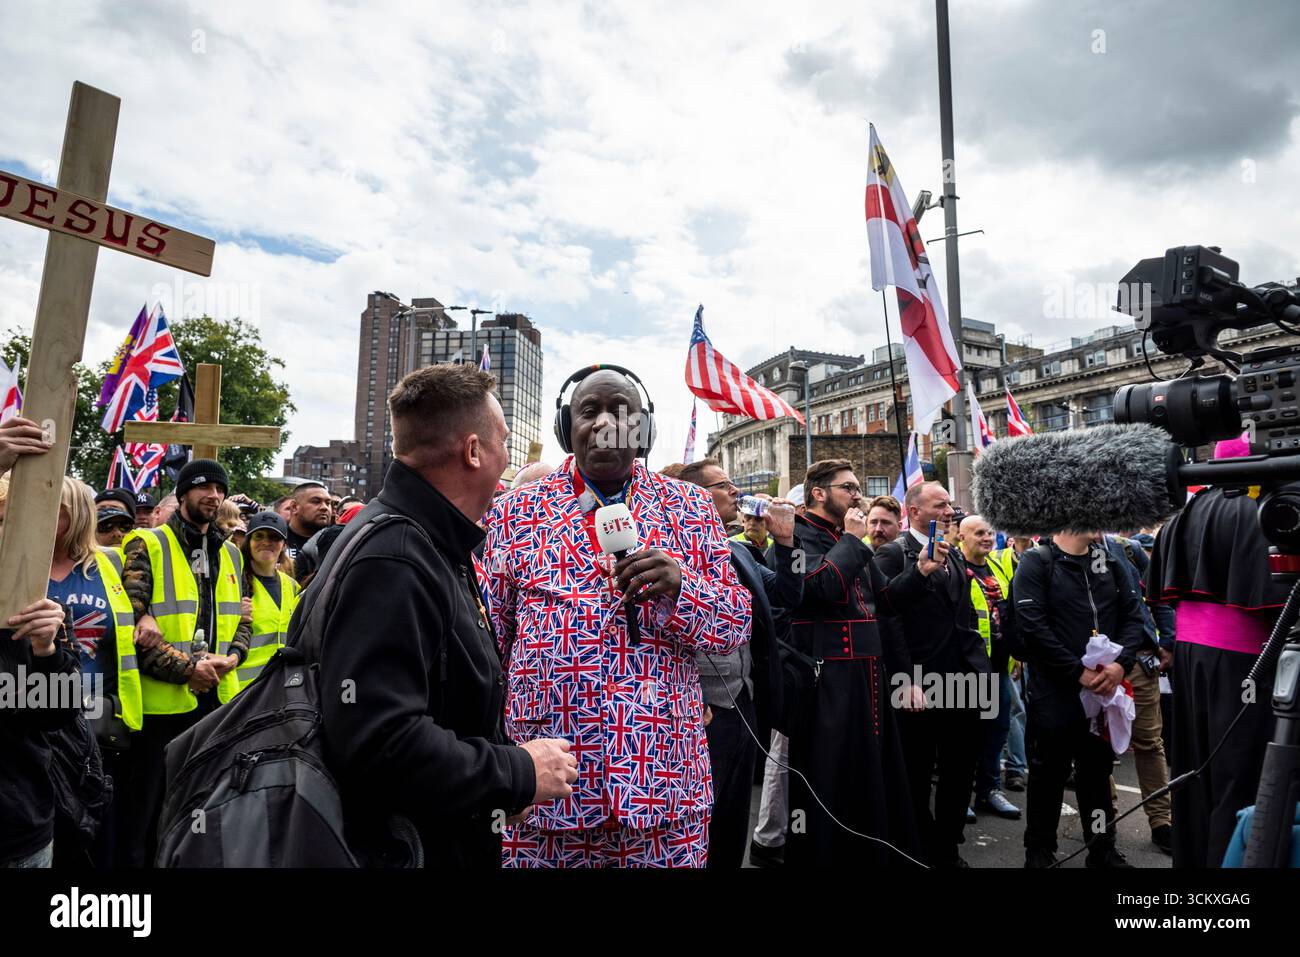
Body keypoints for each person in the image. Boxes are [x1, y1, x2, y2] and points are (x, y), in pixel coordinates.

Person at [481, 366, 751, 867]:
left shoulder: (689, 507)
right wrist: (501, 766)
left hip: (665, 789)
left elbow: (734, 623)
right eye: (590, 411)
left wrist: (681, 589)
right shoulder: (514, 511)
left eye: (621, 413)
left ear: (643, 430)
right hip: (549, 791)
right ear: (567, 426)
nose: (605, 423)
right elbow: (490, 640)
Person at [318, 364, 575, 867]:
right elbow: (379, 742)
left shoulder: (429, 542)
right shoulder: (395, 557)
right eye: (503, 440)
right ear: (474, 451)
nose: (507, 458)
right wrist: (517, 771)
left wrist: (495, 788)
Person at [785, 459, 939, 868]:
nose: (857, 495)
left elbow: (884, 601)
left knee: (872, 775)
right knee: (830, 776)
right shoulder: (796, 537)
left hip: (869, 676)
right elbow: (818, 588)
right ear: (819, 493)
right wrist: (853, 542)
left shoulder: (847, 538)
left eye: (857, 488)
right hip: (829, 681)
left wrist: (920, 573)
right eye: (848, 488)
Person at [1145, 435, 1289, 868]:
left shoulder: (1186, 512)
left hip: (1191, 661)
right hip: (1249, 660)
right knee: (1240, 775)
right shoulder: (1269, 510)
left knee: (1193, 768)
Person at [118, 458, 251, 867]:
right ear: (182, 494)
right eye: (202, 487)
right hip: (162, 708)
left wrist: (232, 657)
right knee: (144, 814)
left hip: (214, 703)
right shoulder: (149, 544)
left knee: (198, 808)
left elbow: (243, 621)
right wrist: (187, 670)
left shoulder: (230, 553)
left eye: (219, 489)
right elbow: (131, 630)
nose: (213, 495)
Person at [679, 459, 798, 867]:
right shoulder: (670, 553)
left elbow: (786, 594)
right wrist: (691, 700)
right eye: (724, 484)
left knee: (733, 818)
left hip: (744, 707)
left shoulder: (739, 552)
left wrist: (784, 543)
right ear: (694, 495)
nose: (735, 491)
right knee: (697, 823)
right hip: (700, 714)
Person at [874, 481, 989, 867]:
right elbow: (888, 618)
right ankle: (916, 847)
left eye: (950, 504)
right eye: (940, 504)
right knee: (916, 773)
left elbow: (965, 616)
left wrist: (980, 670)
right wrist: (905, 680)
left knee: (960, 771)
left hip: (963, 683)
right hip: (919, 684)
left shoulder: (953, 554)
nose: (949, 510)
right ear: (915, 511)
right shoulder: (894, 554)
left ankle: (947, 847)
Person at [1015, 529, 1144, 868]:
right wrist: (1077, 672)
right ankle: (1039, 850)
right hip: (1056, 690)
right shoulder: (1036, 561)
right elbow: (1033, 625)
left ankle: (1101, 850)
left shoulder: (1110, 560)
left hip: (1104, 691)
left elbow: (1134, 616)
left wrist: (1120, 665)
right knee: (1048, 774)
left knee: (1097, 775)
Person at [0, 419, 90, 869]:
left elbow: (56, 715)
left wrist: (46, 652)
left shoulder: (42, 608)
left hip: (18, 826)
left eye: (11, 524)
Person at [1102, 532, 1173, 855]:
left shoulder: (1128, 550)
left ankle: (1162, 822)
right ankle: (1105, 823)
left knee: (1148, 742)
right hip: (1097, 669)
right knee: (1100, 750)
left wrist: (1168, 641)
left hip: (1140, 662)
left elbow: (1158, 595)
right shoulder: (1057, 550)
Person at [958, 514, 1020, 821]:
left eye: (989, 532)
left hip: (999, 666)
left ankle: (989, 789)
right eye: (979, 532)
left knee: (997, 730)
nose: (986, 537)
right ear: (962, 537)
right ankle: (962, 794)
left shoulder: (996, 566)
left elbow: (1009, 612)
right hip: (967, 669)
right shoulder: (954, 568)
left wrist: (1017, 654)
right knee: (968, 735)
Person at [218, 511, 300, 702]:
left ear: (283, 545)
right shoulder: (232, 583)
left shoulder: (292, 586)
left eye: (274, 537)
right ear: (248, 542)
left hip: (279, 691)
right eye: (259, 536)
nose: (266, 542)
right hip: (240, 693)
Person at [285, 481, 331, 569]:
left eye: (328, 503)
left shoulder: (336, 541)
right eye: (316, 502)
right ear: (294, 507)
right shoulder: (277, 539)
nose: (324, 507)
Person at [730, 497, 772, 565]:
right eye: (748, 518)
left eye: (758, 519)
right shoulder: (731, 543)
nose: (752, 523)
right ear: (743, 521)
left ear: (768, 522)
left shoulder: (773, 545)